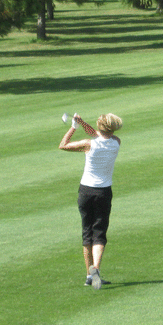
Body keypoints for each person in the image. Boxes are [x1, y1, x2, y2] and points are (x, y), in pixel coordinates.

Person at [59, 113, 123, 289]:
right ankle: (96, 271)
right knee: (99, 234)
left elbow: (63, 145)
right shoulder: (116, 142)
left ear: (100, 126)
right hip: (104, 192)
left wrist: (74, 127)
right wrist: (82, 122)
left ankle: (89, 275)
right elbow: (98, 133)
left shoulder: (88, 144)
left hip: (86, 191)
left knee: (87, 232)